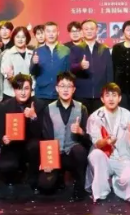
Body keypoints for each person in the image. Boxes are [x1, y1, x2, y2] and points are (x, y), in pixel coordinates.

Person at [86, 83, 130, 202]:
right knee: (96, 154)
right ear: (102, 99)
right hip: (103, 156)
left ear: (119, 98)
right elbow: (96, 143)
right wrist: (106, 141)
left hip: (122, 156)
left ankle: (115, 182)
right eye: (107, 95)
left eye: (114, 95)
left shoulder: (128, 116)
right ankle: (101, 191)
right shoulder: (95, 117)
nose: (111, 99)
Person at [38, 71, 90, 200]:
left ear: (74, 89)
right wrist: (47, 161)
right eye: (62, 86)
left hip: (73, 155)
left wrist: (80, 132)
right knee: (45, 186)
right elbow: (46, 137)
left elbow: (88, 139)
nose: (65, 90)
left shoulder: (81, 108)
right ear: (57, 88)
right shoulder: (49, 109)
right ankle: (58, 178)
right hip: (55, 155)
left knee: (79, 151)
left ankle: (79, 186)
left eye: (69, 86)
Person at [0, 74, 42, 188]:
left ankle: (32, 175)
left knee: (35, 146)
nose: (23, 92)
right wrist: (3, 139)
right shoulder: (5, 106)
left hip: (30, 145)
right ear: (14, 90)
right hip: (13, 145)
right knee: (7, 168)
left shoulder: (39, 105)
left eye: (26, 88)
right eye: (19, 88)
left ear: (31, 89)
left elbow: (43, 133)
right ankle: (19, 170)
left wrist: (34, 117)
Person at [70, 19, 114, 114]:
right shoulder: (75, 49)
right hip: (81, 94)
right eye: (86, 29)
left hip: (100, 95)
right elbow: (71, 68)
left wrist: (108, 91)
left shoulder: (104, 49)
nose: (89, 31)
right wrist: (80, 66)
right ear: (82, 31)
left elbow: (109, 72)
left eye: (92, 29)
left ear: (97, 30)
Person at [30, 22, 72, 111]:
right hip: (41, 94)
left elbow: (69, 73)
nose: (51, 34)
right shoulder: (38, 51)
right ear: (44, 33)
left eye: (53, 31)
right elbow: (33, 72)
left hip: (60, 94)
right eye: (48, 31)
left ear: (58, 33)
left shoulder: (65, 50)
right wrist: (34, 63)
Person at [0, 26, 34, 98]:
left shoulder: (32, 53)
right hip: (11, 93)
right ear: (13, 38)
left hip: (29, 93)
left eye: (23, 37)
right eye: (17, 37)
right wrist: (8, 76)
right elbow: (4, 73)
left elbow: (35, 74)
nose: (20, 39)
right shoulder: (8, 54)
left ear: (27, 38)